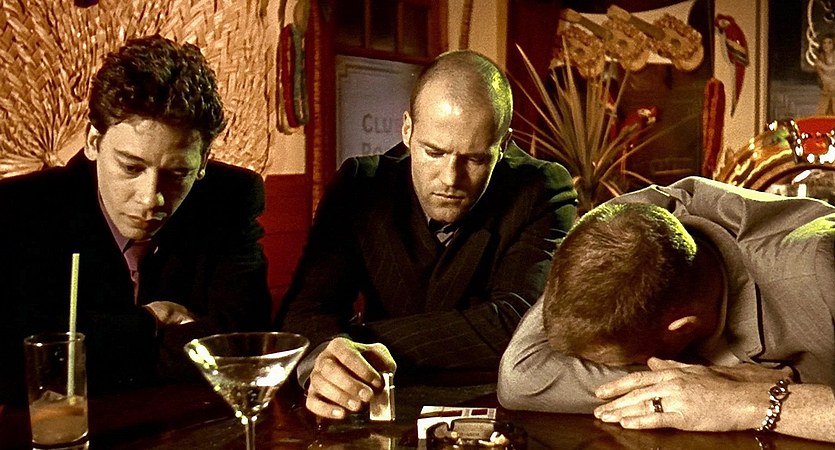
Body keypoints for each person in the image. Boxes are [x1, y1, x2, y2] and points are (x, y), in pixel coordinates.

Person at [275, 50, 577, 420]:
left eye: (475, 159)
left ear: (503, 145)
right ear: (407, 130)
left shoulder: (541, 188)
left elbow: (515, 324)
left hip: (491, 410)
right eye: (434, 152)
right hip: (372, 406)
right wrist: (324, 362)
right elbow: (305, 311)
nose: (451, 179)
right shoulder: (361, 185)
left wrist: (357, 341)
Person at [0, 35, 271, 404]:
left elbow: (246, 345)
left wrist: (96, 345)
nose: (150, 198)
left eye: (177, 173)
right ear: (93, 142)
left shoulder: (231, 197)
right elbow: (15, 366)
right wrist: (150, 321)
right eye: (131, 167)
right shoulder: (21, 209)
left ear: (204, 160)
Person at [497, 176, 835, 441]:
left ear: (683, 328)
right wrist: (709, 379)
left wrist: (750, 400)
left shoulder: (821, 269)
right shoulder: (624, 227)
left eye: (627, 361)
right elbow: (522, 378)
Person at [815, 34, 835, 115]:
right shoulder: (819, 58)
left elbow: (830, 69)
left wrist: (823, 66)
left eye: (829, 42)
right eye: (824, 43)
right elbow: (822, 77)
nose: (827, 45)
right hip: (826, 88)